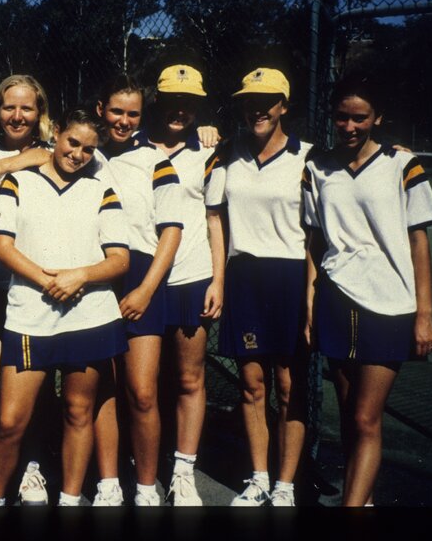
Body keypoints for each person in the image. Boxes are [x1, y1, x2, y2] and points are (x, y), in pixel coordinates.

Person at [301, 71, 432, 507]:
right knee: (350, 417)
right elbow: (314, 242)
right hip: (335, 299)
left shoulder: (402, 165)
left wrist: (424, 313)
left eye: (359, 118)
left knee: (365, 417)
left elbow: (419, 241)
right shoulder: (316, 168)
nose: (349, 126)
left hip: (389, 306)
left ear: (377, 118)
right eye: (341, 117)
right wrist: (310, 303)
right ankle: (364, 500)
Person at [0, 107, 130, 507]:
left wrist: (80, 276)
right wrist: (47, 280)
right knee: (10, 421)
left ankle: (69, 500)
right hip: (30, 316)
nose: (78, 154)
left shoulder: (101, 189)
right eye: (72, 142)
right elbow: (2, 246)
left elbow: (119, 259)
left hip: (90, 316)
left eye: (88, 149)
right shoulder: (18, 181)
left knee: (79, 411)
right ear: (57, 133)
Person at [204, 68, 312, 507]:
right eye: (250, 102)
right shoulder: (226, 153)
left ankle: (286, 486)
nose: (258, 110)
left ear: (284, 105)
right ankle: (260, 479)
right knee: (251, 385)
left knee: (288, 386)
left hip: (290, 279)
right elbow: (215, 217)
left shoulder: (311, 158)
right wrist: (219, 279)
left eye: (267, 101)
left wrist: (395, 150)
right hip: (244, 277)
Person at [88, 74, 183, 507]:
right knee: (103, 389)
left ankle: (146, 488)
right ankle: (108, 483)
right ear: (100, 110)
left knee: (142, 392)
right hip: (97, 274)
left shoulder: (155, 161)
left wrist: (146, 289)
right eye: (116, 112)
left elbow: (171, 232)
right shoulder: (86, 153)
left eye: (133, 114)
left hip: (142, 275)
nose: (123, 121)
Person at [132, 64, 218, 506]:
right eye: (172, 100)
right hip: (141, 280)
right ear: (156, 100)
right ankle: (138, 470)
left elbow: (215, 220)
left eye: (190, 103)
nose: (180, 110)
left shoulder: (210, 150)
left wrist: (218, 280)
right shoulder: (128, 146)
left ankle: (183, 471)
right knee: (140, 386)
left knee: (188, 378)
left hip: (190, 277)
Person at [0, 75, 56, 505]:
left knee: (35, 389)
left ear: (39, 113)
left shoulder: (51, 154)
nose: (17, 116)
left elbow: (45, 153)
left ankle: (33, 468)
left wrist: (3, 166)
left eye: (27, 108)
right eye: (9, 107)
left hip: (36, 285)